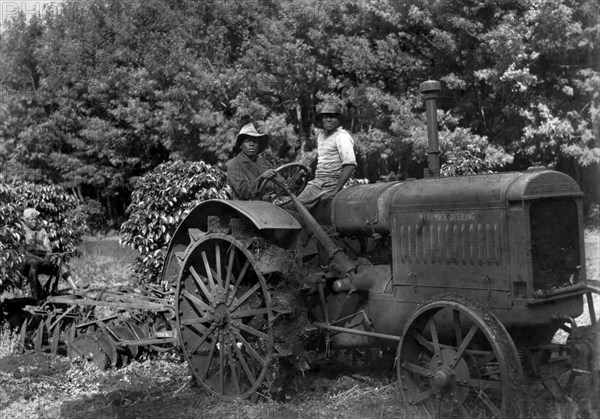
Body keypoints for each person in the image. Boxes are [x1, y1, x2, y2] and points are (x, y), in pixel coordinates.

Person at [296, 101, 356, 209]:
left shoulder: (342, 136)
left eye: (332, 117)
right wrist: (307, 170)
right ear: (321, 120)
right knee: (288, 198)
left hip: (331, 183)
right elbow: (321, 157)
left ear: (339, 120)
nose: (329, 119)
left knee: (294, 205)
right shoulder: (321, 136)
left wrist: (335, 191)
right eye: (326, 117)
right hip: (318, 181)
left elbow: (350, 165)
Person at [21, 208, 73, 300]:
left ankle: (75, 288)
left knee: (58, 260)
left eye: (36, 219)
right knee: (34, 262)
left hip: (42, 258)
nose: (34, 221)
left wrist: (47, 258)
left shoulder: (42, 230)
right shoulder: (21, 231)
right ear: (25, 220)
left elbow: (48, 248)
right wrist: (39, 259)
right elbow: (22, 252)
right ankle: (35, 296)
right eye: (31, 219)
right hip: (27, 261)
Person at [227, 123, 279, 201]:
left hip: (270, 203)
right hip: (247, 208)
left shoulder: (265, 163)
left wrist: (297, 181)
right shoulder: (235, 164)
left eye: (255, 141)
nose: (251, 144)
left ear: (258, 145)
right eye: (247, 141)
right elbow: (242, 189)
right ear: (241, 145)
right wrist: (261, 178)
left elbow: (281, 185)